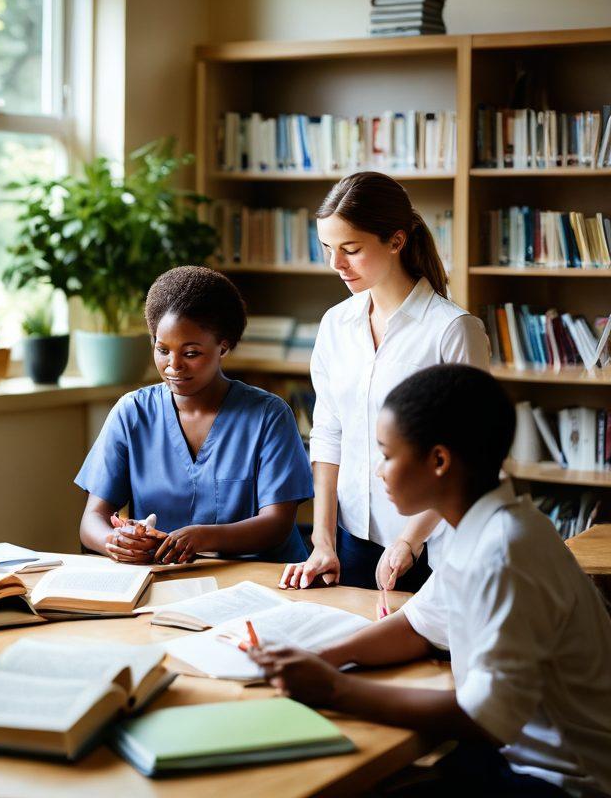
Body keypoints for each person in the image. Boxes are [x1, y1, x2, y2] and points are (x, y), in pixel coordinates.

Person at [251, 365, 611, 796]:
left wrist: (333, 687)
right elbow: (416, 626)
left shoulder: (503, 552)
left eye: (387, 454)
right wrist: (324, 657)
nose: (379, 471)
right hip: (512, 755)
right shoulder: (482, 525)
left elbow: (485, 717)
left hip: (562, 780)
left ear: (439, 461)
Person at [281, 172, 489, 592]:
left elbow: (473, 451)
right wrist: (322, 541)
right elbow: (328, 435)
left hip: (432, 546)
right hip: (353, 540)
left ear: (396, 242)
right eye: (328, 249)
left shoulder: (452, 330)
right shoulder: (335, 324)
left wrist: (409, 540)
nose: (336, 264)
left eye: (351, 250)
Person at [77, 266, 313, 565]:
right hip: (167, 578)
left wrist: (203, 537)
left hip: (259, 578)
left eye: (190, 353)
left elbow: (277, 524)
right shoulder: (132, 413)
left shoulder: (268, 416)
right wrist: (116, 542)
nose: (173, 365)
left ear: (223, 346)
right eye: (162, 349)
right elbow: (92, 520)